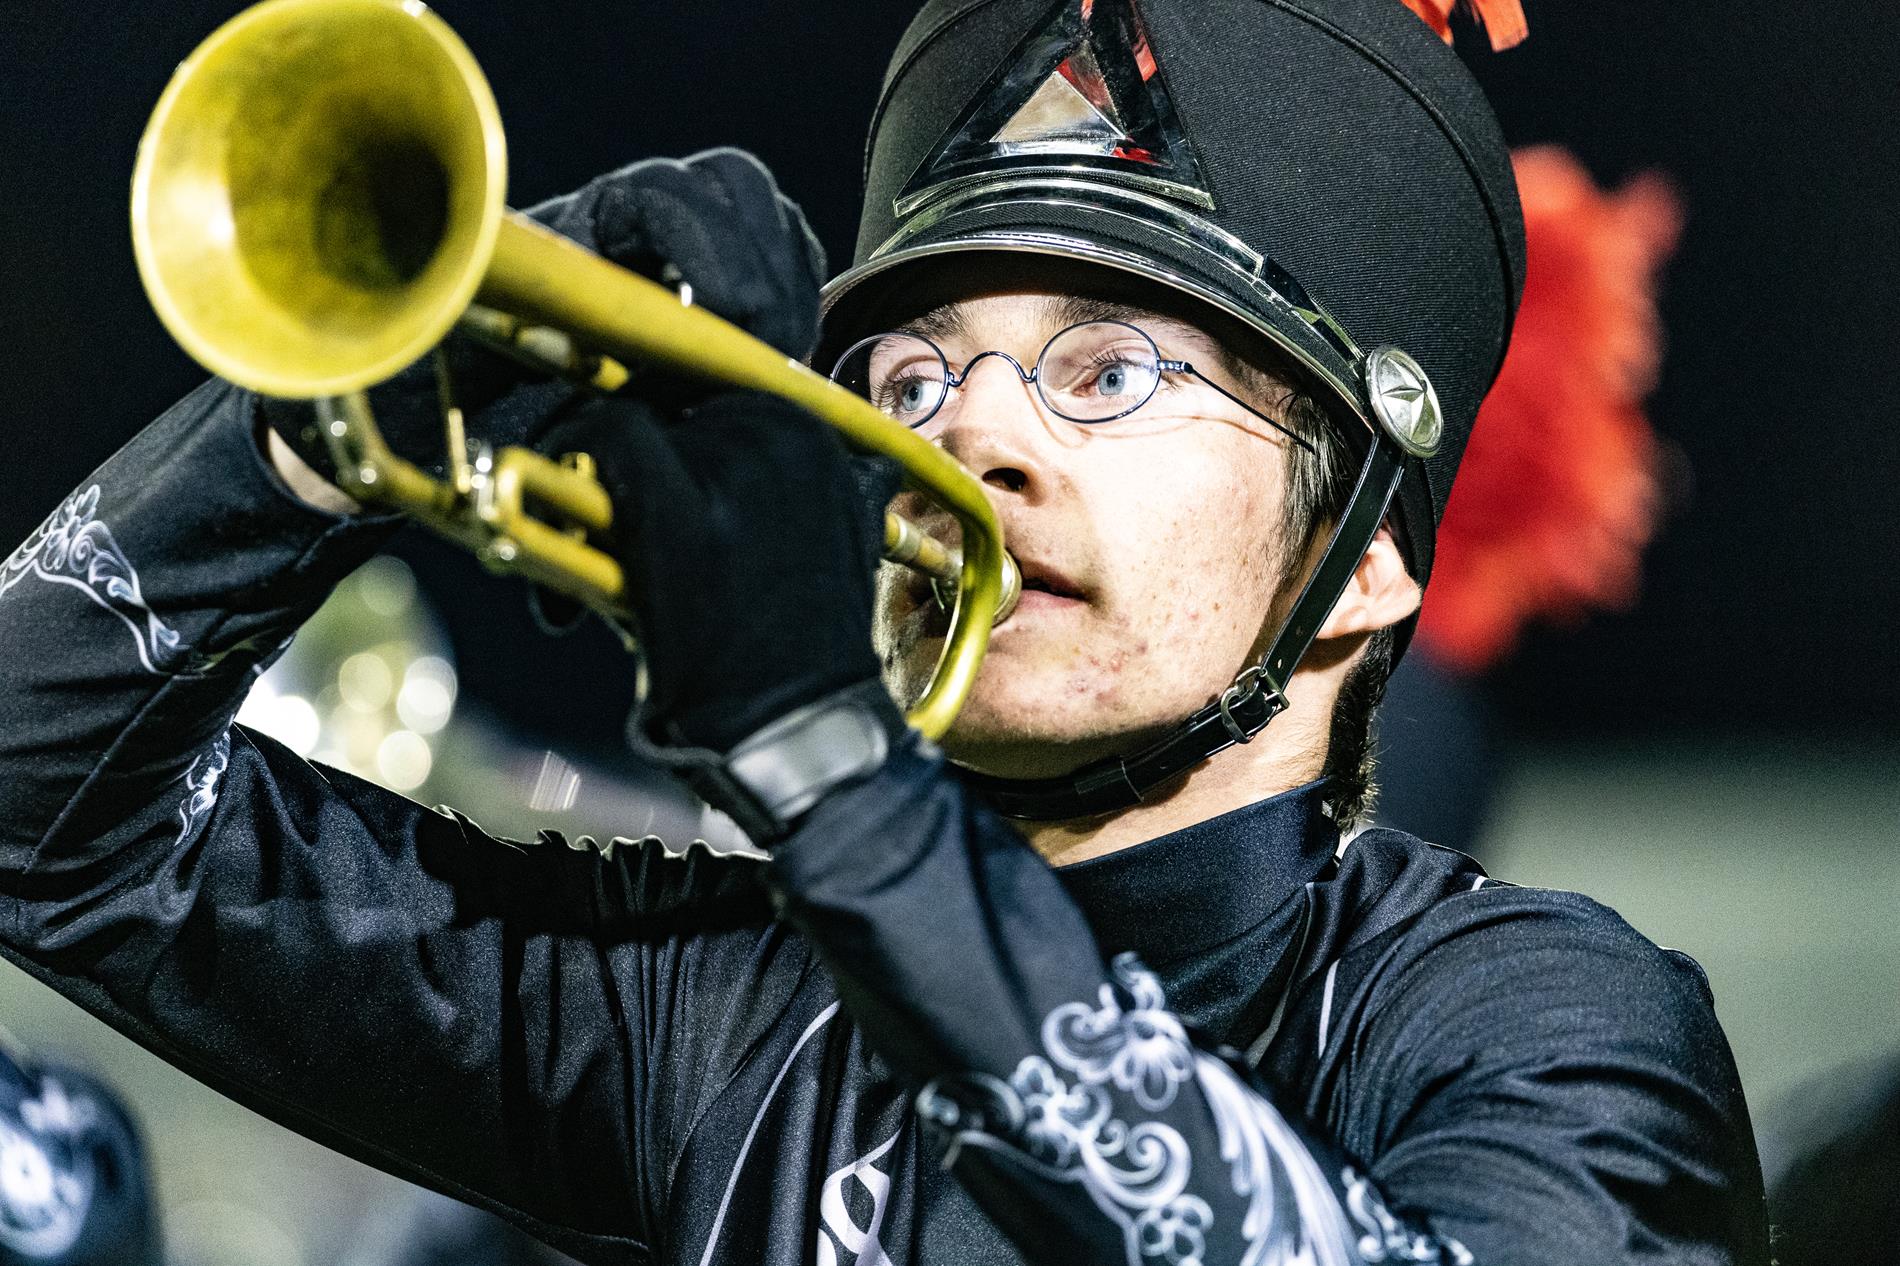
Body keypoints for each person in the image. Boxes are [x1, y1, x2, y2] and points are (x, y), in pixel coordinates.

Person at [0, 0, 1768, 1263]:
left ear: (1372, 556)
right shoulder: (712, 1001)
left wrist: (832, 763)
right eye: (911, 377)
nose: (976, 437)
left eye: (1111, 367)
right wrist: (338, 417)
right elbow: (42, 803)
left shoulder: (1550, 1019)